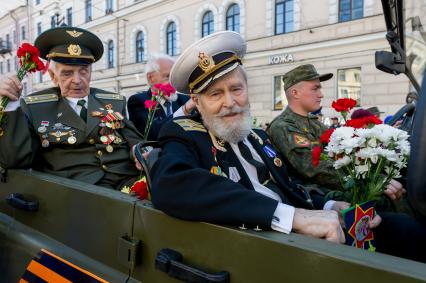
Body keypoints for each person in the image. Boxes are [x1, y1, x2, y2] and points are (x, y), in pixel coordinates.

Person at [150, 31, 368, 244]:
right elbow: (171, 184)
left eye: (236, 89)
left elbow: (289, 185)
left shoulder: (258, 136)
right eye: (215, 94)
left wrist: (328, 205)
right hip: (261, 248)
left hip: (309, 233)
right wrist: (291, 218)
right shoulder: (184, 133)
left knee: (394, 228)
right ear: (197, 102)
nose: (230, 102)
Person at [266, 64, 426, 261]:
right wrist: (370, 179)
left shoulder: (314, 123)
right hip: (318, 198)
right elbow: (313, 169)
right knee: (403, 222)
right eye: (315, 88)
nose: (321, 94)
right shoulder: (284, 127)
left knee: (402, 200)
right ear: (295, 92)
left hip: (338, 190)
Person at [0, 26, 142, 190]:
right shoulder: (35, 107)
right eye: (67, 73)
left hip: (129, 182)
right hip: (80, 192)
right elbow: (15, 159)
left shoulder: (114, 102)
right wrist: (9, 103)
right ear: (53, 77)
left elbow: (134, 139)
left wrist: (139, 151)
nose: (77, 80)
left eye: (84, 72)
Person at [127, 54, 196, 140]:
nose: (173, 83)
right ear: (151, 78)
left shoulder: (184, 100)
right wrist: (184, 110)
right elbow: (153, 133)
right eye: (167, 77)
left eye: (174, 78)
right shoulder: (138, 101)